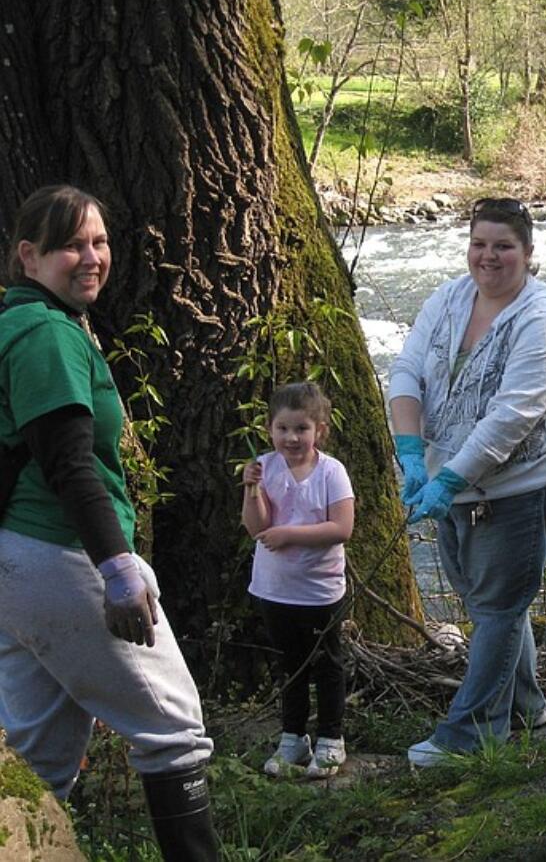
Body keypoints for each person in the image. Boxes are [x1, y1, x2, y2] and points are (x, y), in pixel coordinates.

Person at [0, 185, 218, 859]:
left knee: (39, 760)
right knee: (172, 728)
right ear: (29, 255)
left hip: (16, 563)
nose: (90, 258)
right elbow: (70, 466)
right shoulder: (43, 334)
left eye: (99, 242)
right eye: (71, 245)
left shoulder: (16, 320)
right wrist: (117, 565)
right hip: (59, 552)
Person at [389, 197, 546, 767]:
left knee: (498, 604)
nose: (488, 256)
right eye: (479, 243)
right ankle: (526, 709)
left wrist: (447, 480)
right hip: (449, 475)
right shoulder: (450, 298)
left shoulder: (542, 322)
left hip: (524, 482)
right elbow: (406, 369)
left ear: (527, 253)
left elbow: (511, 418)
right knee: (492, 599)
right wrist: (409, 452)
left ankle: (471, 735)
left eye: (503, 246)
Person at [241, 381, 355, 779]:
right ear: (270, 429)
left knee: (326, 664)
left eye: (301, 429)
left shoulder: (331, 473)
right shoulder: (265, 467)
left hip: (320, 591)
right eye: (283, 428)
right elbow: (257, 527)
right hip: (275, 589)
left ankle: (330, 738)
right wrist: (251, 488)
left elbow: (342, 528)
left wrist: (290, 535)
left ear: (319, 431)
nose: (291, 438)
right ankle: (292, 737)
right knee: (288, 665)